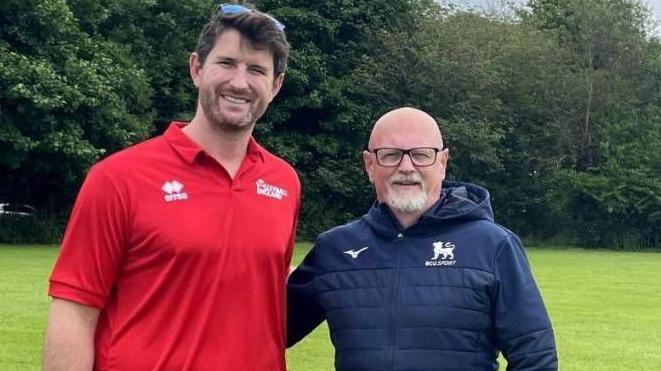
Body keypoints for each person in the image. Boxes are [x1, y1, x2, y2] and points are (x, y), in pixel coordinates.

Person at [43, 3, 300, 370]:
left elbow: (262, 281)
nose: (239, 82)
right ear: (197, 68)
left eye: (256, 70)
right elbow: (74, 312)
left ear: (275, 86)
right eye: (226, 63)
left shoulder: (284, 182)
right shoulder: (117, 178)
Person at [287, 107, 558, 370]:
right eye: (391, 155)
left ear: (442, 163)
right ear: (369, 165)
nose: (406, 167)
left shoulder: (493, 246)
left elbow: (535, 356)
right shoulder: (334, 249)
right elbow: (270, 330)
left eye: (421, 154)